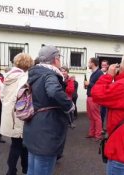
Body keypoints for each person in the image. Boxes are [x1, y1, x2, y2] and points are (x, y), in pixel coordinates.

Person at [23, 45, 74, 175]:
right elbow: (53, 91)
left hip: (33, 124)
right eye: (59, 58)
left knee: (32, 168)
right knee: (43, 167)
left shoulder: (34, 73)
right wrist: (69, 105)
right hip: (47, 129)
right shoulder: (49, 75)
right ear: (55, 59)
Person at [0, 53, 34, 175]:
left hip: (10, 115)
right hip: (19, 116)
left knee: (19, 143)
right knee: (19, 144)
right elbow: (24, 96)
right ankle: (13, 170)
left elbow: (2, 95)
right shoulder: (23, 77)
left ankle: (21, 168)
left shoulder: (8, 76)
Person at [84, 57, 103, 141]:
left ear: (93, 63)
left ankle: (98, 135)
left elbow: (101, 86)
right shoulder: (94, 73)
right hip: (89, 97)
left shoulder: (99, 73)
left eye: (89, 62)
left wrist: (89, 84)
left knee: (96, 117)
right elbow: (92, 84)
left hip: (94, 98)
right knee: (91, 117)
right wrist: (87, 85)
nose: (88, 64)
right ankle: (92, 133)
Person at [100, 60, 109, 126]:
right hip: (101, 96)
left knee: (108, 113)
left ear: (108, 66)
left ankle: (107, 127)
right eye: (102, 65)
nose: (103, 66)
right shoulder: (99, 73)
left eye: (105, 65)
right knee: (101, 113)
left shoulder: (110, 73)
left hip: (108, 96)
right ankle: (101, 127)